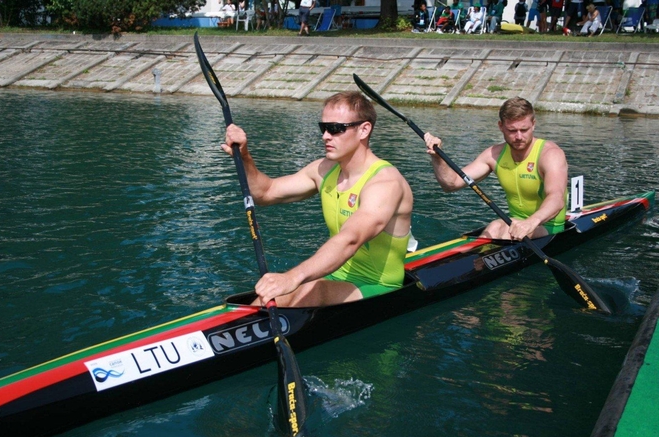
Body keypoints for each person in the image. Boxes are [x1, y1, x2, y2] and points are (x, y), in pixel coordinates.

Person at [221, 91, 414, 307]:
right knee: (278, 296)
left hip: (378, 286)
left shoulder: (385, 184)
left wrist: (293, 277)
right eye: (324, 127)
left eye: (336, 129)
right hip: (334, 277)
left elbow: (350, 239)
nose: (325, 136)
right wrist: (245, 156)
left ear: (364, 129)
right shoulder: (324, 170)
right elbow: (265, 192)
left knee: (311, 288)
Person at [423, 97, 568, 241]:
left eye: (524, 130)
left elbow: (556, 198)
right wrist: (437, 157)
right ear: (501, 126)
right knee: (494, 227)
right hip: (514, 224)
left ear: (533, 124)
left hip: (547, 225)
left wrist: (531, 222)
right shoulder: (494, 155)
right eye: (512, 130)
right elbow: (451, 184)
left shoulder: (550, 154)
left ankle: (480, 260)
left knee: (499, 230)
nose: (518, 137)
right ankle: (474, 259)